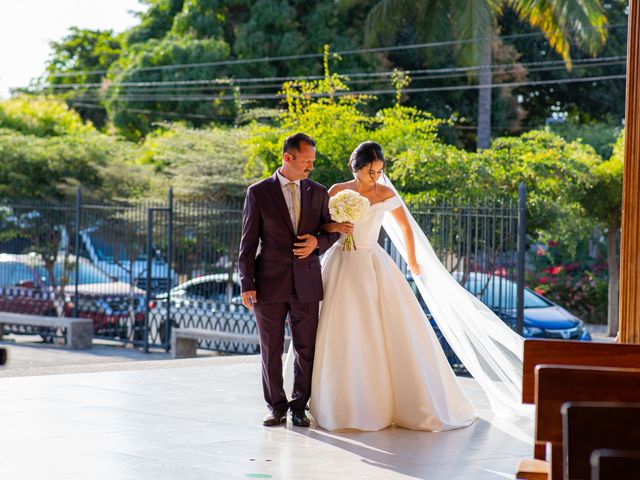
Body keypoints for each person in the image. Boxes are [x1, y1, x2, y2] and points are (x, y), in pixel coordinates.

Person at [307, 141, 478, 431]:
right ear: (356, 167)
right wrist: (337, 227)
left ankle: (381, 400)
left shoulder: (385, 193)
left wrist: (412, 260)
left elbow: (405, 227)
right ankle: (333, 400)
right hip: (341, 262)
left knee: (378, 325)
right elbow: (319, 225)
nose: (376, 176)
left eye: (379, 171)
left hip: (372, 261)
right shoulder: (336, 191)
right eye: (371, 171)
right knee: (336, 324)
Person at [238, 133, 339, 428]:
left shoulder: (318, 191)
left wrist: (317, 243)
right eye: (306, 161)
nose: (310, 166)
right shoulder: (258, 192)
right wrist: (247, 283)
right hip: (268, 284)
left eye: (313, 161)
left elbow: (332, 230)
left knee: (306, 347)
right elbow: (247, 243)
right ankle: (276, 406)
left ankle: (299, 406)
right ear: (287, 158)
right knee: (270, 348)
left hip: (306, 283)